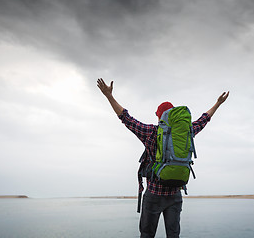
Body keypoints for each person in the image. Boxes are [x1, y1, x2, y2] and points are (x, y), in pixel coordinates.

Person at [97, 78, 229, 238]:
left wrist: (109, 96)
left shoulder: (151, 132)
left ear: (159, 116)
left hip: (153, 194)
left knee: (147, 234)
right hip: (175, 194)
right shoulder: (187, 132)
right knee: (173, 235)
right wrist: (218, 104)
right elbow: (203, 120)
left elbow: (126, 118)